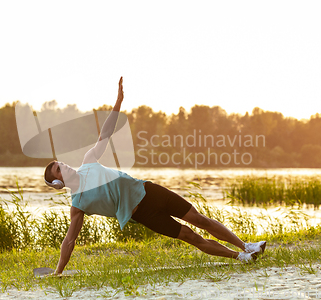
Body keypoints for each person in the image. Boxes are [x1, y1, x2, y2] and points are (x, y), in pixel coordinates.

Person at [44, 77, 266, 275]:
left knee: (199, 219)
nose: (64, 166)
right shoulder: (78, 204)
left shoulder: (88, 161)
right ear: (57, 183)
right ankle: (241, 257)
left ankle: (246, 246)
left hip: (149, 192)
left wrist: (118, 103)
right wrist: (58, 271)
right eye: (59, 169)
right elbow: (69, 241)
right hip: (144, 214)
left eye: (61, 163)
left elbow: (105, 134)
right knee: (190, 236)